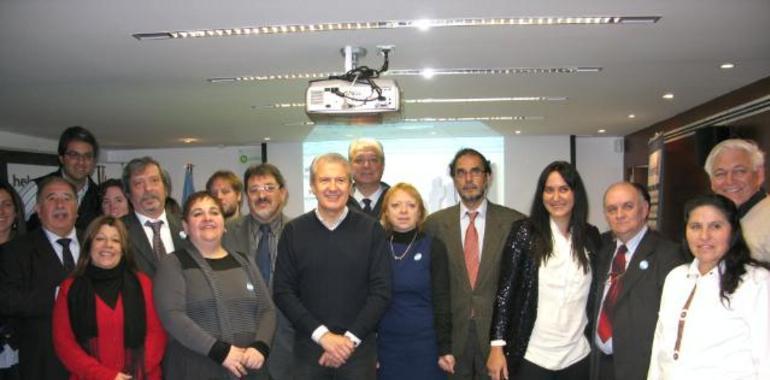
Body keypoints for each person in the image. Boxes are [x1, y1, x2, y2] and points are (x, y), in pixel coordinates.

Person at [273, 153, 391, 380]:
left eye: (340, 180)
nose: (333, 187)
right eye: (325, 180)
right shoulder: (294, 232)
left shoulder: (372, 230)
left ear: (350, 186)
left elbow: (382, 292)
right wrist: (323, 336)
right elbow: (283, 291)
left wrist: (348, 341)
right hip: (309, 350)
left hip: (358, 350)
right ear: (312, 186)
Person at [487, 161, 601, 380]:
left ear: (576, 193)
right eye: (549, 190)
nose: (556, 197)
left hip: (577, 355)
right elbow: (505, 292)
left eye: (564, 189)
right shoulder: (524, 233)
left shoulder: (590, 236)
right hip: (533, 355)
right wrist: (496, 347)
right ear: (541, 195)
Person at [424, 148, 524, 380]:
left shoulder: (514, 223)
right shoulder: (434, 225)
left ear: (488, 177)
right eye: (461, 173)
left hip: (498, 340)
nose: (468, 179)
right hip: (452, 339)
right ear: (454, 179)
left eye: (475, 172)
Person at [154, 191, 276, 379]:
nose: (207, 218)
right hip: (197, 367)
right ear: (185, 226)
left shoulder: (245, 262)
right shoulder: (173, 263)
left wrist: (260, 346)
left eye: (214, 212)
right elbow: (172, 316)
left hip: (249, 367)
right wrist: (219, 351)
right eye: (197, 214)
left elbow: (267, 309)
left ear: (224, 224)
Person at [647, 194, 770, 379]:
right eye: (696, 227)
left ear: (733, 231)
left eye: (716, 226)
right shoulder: (676, 278)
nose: (704, 236)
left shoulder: (756, 280)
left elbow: (765, 356)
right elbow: (659, 346)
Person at [589, 182, 685, 380]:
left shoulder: (669, 255)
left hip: (640, 368)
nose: (619, 214)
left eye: (627, 206)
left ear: (645, 210)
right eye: (612, 209)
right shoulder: (602, 250)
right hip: (599, 366)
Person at [52, 216, 167, 379]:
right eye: (100, 238)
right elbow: (64, 344)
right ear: (89, 245)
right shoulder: (69, 288)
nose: (108, 245)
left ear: (123, 248)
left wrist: (134, 373)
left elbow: (157, 334)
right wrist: (105, 376)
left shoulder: (143, 284)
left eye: (115, 240)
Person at [0, 177, 82, 379]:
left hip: (99, 357)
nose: (60, 204)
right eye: (51, 198)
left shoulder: (97, 240)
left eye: (67, 198)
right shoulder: (15, 251)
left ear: (77, 207)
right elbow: (8, 300)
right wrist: (60, 295)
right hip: (45, 362)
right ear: (37, 208)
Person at [222, 163, 294, 380]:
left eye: (269, 188)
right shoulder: (225, 234)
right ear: (245, 196)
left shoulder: (301, 233)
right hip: (239, 350)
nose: (261, 195)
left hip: (289, 349)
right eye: (254, 190)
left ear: (283, 193)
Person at [377, 183, 452, 380]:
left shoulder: (434, 246)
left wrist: (445, 348)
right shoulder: (376, 247)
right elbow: (368, 299)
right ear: (385, 212)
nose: (403, 211)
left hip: (426, 345)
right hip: (386, 346)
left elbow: (442, 299)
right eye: (395, 205)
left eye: (411, 205)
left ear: (420, 212)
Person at [19, 126, 101, 231]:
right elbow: (12, 223)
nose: (81, 162)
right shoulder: (36, 188)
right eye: (74, 155)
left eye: (87, 156)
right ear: (61, 158)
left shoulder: (100, 196)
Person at [704, 138, 769, 262]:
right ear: (711, 182)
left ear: (759, 175)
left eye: (739, 171)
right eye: (720, 173)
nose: (730, 181)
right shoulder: (714, 218)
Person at [121, 157, 185, 277]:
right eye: (138, 184)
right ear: (128, 194)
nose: (148, 189)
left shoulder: (186, 226)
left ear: (166, 189)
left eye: (154, 180)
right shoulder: (118, 231)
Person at [0, 181, 26, 379]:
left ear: (16, 212)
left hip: (22, 350)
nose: (1, 211)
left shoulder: (30, 251)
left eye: (7, 204)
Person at [347, 138, 390, 218]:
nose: (366, 166)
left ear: (383, 165)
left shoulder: (397, 200)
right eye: (359, 160)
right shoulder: (339, 202)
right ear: (349, 166)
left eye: (373, 160)